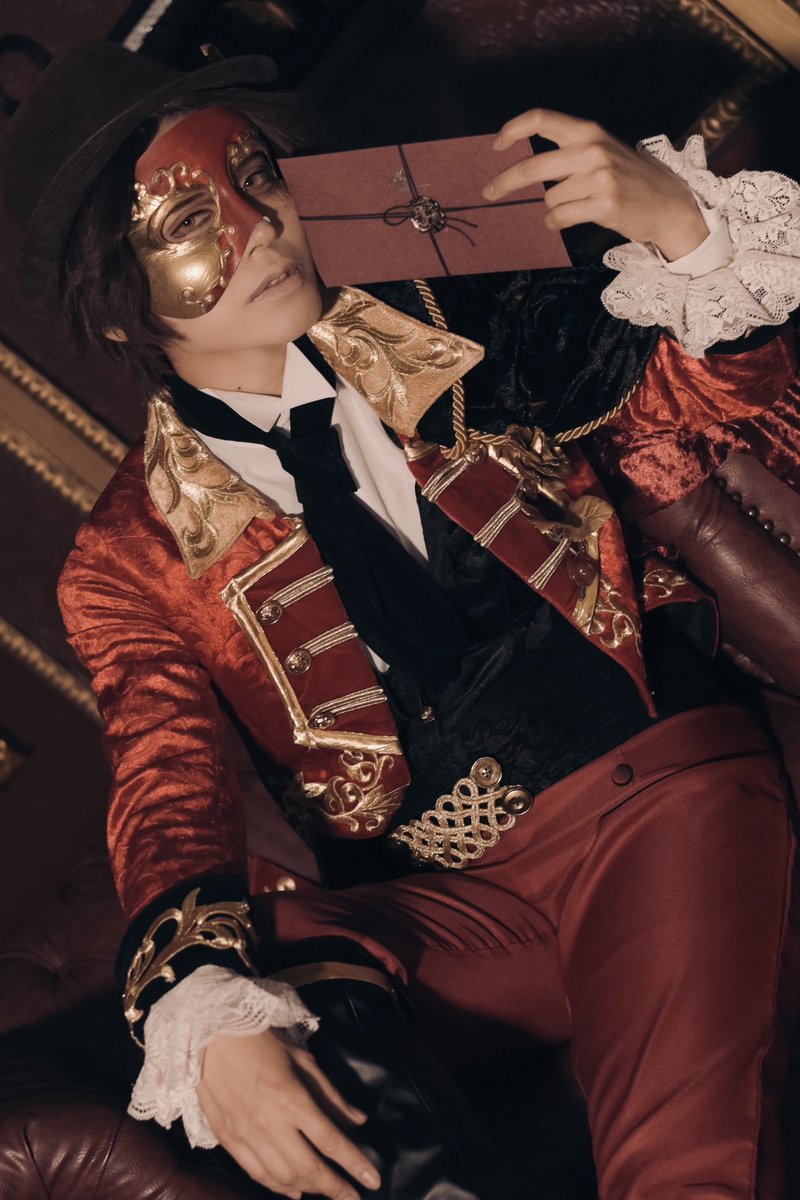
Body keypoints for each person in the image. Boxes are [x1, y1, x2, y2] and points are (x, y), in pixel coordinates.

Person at [3, 38, 800, 1200]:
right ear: (116, 310)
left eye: (258, 179)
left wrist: (682, 230)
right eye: (189, 222)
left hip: (653, 797)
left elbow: (714, 399)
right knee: (230, 980)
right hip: (461, 918)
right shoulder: (128, 554)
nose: (260, 230)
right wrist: (203, 1005)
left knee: (685, 1174)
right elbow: (166, 778)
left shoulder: (453, 320)